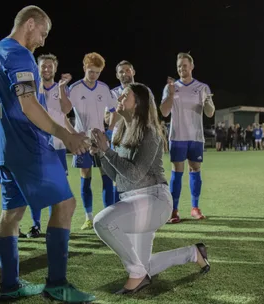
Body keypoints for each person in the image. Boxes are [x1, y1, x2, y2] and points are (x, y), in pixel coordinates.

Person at [0, 5, 95, 302]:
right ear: (30, 24)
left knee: (12, 213)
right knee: (66, 205)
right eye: (43, 33)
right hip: (26, 146)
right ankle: (57, 285)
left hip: (3, 149)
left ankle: (10, 285)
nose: (43, 41)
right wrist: (66, 135)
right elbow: (29, 105)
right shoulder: (18, 53)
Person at [90, 83, 210, 294]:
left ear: (138, 103)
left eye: (125, 96)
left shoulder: (150, 132)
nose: (119, 99)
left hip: (155, 201)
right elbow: (118, 176)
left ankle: (136, 274)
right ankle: (193, 253)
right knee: (145, 266)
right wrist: (100, 153)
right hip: (132, 200)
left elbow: (135, 174)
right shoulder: (120, 132)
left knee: (102, 222)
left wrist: (107, 151)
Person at [60, 52, 118, 230]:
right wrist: (74, 135)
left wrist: (108, 131)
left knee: (107, 177)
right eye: (91, 71)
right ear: (84, 68)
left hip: (100, 140)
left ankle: (108, 216)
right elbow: (63, 114)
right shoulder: (76, 88)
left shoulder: (103, 88)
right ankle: (89, 217)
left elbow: (114, 110)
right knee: (86, 179)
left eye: (97, 72)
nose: (94, 75)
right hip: (83, 141)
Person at [160, 52, 215, 223]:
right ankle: (174, 211)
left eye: (184, 65)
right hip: (177, 136)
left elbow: (210, 112)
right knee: (177, 171)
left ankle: (195, 207)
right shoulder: (171, 87)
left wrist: (206, 101)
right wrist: (169, 94)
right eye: (179, 66)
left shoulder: (202, 87)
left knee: (195, 169)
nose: (181, 69)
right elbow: (163, 112)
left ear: (191, 66)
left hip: (196, 136)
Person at [25, 53, 72, 238]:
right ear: (38, 68)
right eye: (43, 66)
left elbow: (66, 110)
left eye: (50, 66)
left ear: (55, 68)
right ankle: (35, 225)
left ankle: (57, 225)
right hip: (37, 142)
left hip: (58, 144)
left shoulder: (61, 88)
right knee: (36, 185)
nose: (46, 69)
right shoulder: (31, 86)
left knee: (58, 185)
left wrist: (61, 88)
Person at [107, 60, 156, 203]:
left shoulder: (144, 91)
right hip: (119, 139)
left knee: (142, 176)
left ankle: (145, 213)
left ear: (133, 72)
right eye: (121, 71)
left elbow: (151, 113)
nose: (125, 73)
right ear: (117, 75)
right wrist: (119, 107)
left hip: (141, 138)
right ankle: (120, 212)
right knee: (119, 178)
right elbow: (107, 118)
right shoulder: (113, 94)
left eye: (127, 70)